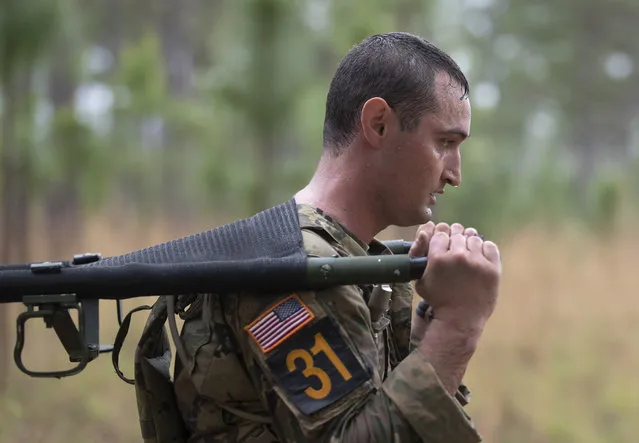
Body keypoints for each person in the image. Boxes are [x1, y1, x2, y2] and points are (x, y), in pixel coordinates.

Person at [172, 31, 502, 443]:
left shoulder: (351, 258)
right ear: (378, 124)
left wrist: (430, 324)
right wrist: (459, 326)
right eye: (445, 143)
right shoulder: (298, 270)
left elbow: (376, 410)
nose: (455, 174)